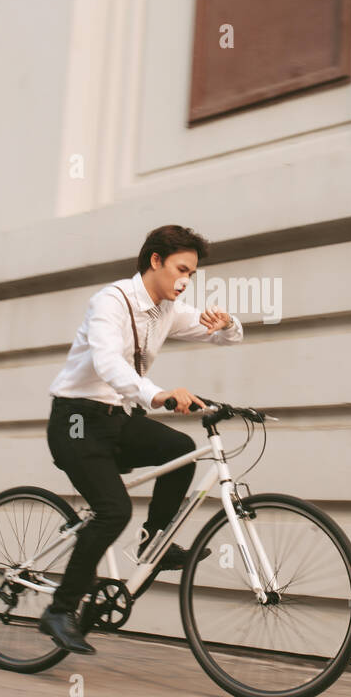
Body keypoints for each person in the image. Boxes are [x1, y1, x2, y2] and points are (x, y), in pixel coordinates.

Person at [40, 225, 244, 654]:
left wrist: (226, 323)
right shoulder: (109, 302)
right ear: (156, 261)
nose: (185, 280)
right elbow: (107, 360)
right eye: (181, 269)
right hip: (75, 421)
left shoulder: (167, 309)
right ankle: (60, 609)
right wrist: (158, 394)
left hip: (118, 419)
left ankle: (156, 540)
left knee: (180, 449)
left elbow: (224, 336)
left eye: (191, 272)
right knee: (113, 512)